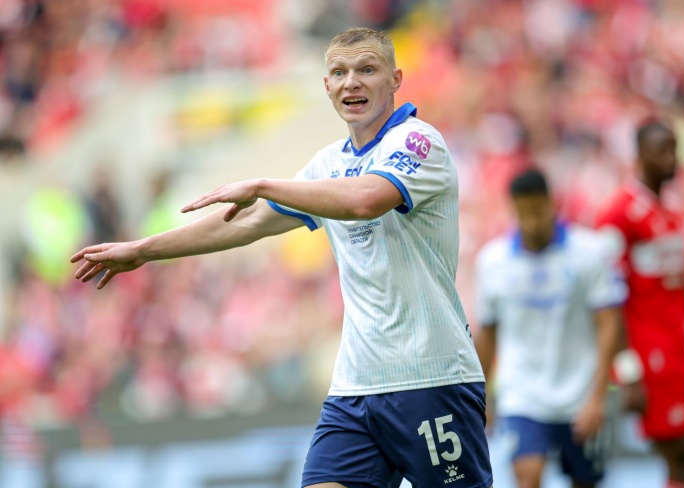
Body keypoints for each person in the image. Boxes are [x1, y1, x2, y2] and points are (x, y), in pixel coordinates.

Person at [71, 27, 493, 488]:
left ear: (395, 79)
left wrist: (265, 184)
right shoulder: (328, 164)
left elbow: (367, 200)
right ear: (327, 86)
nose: (352, 82)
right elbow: (248, 222)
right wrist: (143, 250)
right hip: (355, 388)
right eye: (339, 73)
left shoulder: (418, 142)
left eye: (367, 70)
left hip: (431, 378)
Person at [596, 121, 684, 488]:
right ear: (640, 156)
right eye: (661, 150)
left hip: (682, 356)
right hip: (650, 362)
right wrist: (627, 372)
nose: (671, 159)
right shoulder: (618, 216)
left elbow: (680, 284)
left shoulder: (670, 209)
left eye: (674, 149)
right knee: (683, 465)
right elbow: (607, 301)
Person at [473, 168, 625, 488]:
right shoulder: (493, 262)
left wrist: (598, 397)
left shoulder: (590, 252)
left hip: (580, 395)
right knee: (527, 478)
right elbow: (488, 334)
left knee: (585, 482)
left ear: (553, 203)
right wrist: (482, 398)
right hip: (522, 395)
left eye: (538, 211)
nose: (532, 222)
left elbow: (610, 325)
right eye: (524, 213)